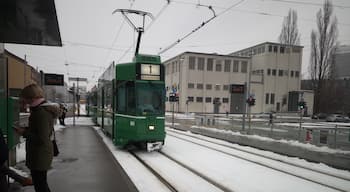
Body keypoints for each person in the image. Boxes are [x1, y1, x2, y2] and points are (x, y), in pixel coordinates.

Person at [14, 84, 60, 192]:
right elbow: (41, 130)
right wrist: (27, 129)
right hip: (40, 154)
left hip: (40, 154)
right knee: (40, 184)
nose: (23, 100)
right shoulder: (40, 110)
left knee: (40, 185)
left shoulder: (41, 113)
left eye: (25, 98)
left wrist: (24, 132)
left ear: (32, 97)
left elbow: (42, 138)